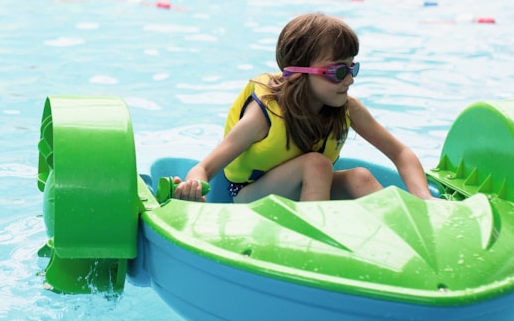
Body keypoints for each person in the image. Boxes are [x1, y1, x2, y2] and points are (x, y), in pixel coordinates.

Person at [171, 13, 431, 204]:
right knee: (316, 164)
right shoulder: (264, 116)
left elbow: (401, 153)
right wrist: (193, 187)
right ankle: (316, 245)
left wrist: (425, 200)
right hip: (248, 200)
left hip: (304, 190)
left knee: (360, 177)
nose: (349, 80)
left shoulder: (348, 108)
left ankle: (410, 233)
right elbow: (204, 168)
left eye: (352, 68)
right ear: (297, 74)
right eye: (338, 71)